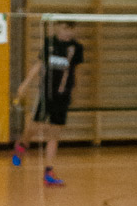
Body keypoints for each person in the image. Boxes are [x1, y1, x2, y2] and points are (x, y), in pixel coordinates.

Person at [12, 20, 84, 186]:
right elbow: (39, 65)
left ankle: (48, 172)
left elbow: (76, 71)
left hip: (63, 95)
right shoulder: (49, 43)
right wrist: (25, 84)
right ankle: (22, 145)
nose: (68, 32)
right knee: (34, 126)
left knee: (55, 133)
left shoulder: (77, 48)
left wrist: (75, 91)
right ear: (58, 27)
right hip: (46, 94)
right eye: (65, 28)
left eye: (71, 29)